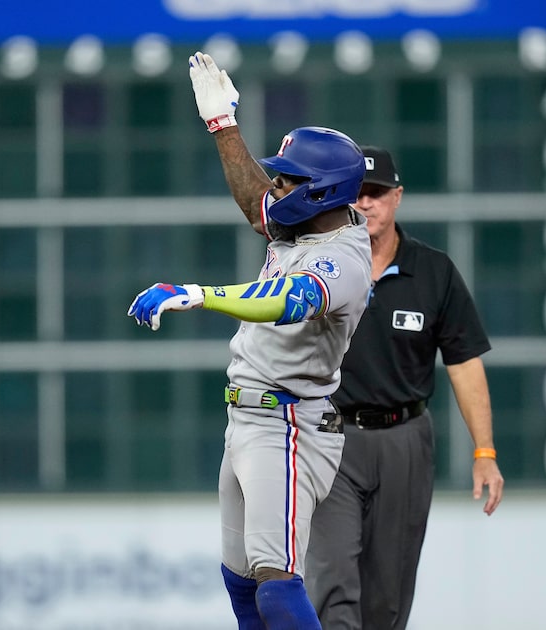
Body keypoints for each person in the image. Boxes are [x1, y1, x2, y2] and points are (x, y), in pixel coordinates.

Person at [128, 52, 372, 628]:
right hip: (248, 418)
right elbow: (255, 200)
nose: (279, 183)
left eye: (292, 177)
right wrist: (224, 126)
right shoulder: (309, 220)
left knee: (275, 578)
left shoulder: (346, 257)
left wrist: (200, 293)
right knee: (240, 581)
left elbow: (287, 301)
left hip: (290, 423)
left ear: (323, 191)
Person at [304, 146, 505, 630]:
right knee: (330, 581)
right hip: (331, 436)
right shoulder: (316, 266)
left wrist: (484, 452)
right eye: (354, 194)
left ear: (397, 197)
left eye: (375, 193)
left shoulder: (433, 271)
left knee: (388, 595)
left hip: (404, 439)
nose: (365, 204)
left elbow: (464, 364)